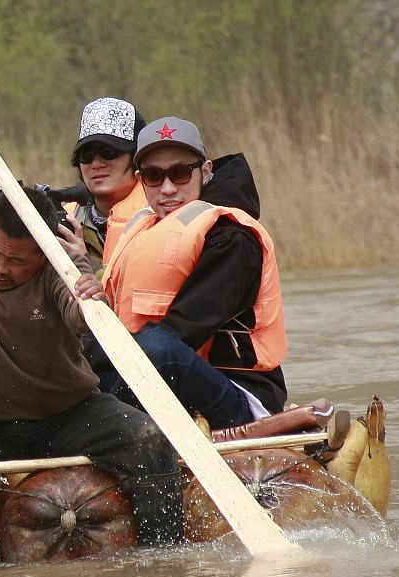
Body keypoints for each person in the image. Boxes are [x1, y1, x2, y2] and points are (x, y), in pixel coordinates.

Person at [0, 100, 185, 568]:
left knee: (148, 439)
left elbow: (79, 314)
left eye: (16, 261)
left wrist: (90, 296)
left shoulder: (60, 264)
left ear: (42, 254)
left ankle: (164, 563)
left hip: (66, 415)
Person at [95, 117, 288, 431]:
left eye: (181, 173)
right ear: (141, 181)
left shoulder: (232, 238)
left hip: (239, 394)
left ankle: (100, 424)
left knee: (160, 351)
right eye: (155, 176)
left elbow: (181, 333)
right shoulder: (144, 228)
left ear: (206, 171)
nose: (168, 188)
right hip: (158, 376)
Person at [67, 97, 150, 272]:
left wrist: (84, 263)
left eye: (108, 152)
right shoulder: (67, 218)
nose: (96, 163)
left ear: (137, 158)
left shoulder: (159, 214)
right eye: (87, 155)